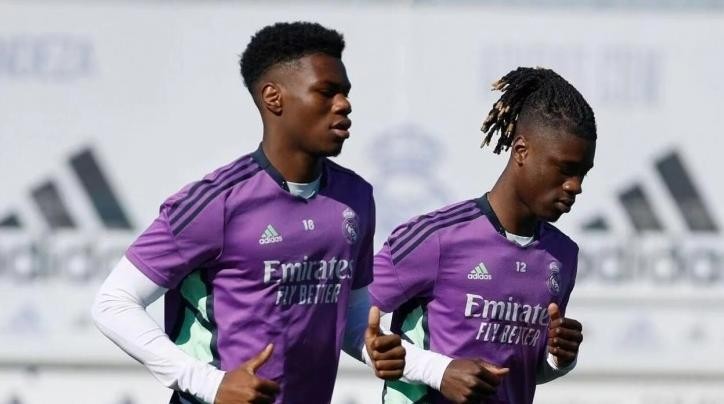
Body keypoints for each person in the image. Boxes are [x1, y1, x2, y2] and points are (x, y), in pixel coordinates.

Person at [91, 21, 405, 404]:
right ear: (274, 98)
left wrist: (373, 346)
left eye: (345, 93)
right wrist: (210, 384)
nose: (344, 104)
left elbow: (351, 310)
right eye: (327, 92)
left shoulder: (355, 196)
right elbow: (114, 302)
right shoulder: (216, 202)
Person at [369, 67, 594, 404]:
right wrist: (438, 371)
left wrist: (558, 358)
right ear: (521, 151)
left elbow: (521, 370)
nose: (575, 186)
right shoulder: (439, 237)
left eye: (583, 173)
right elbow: (345, 317)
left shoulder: (562, 255)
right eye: (565, 169)